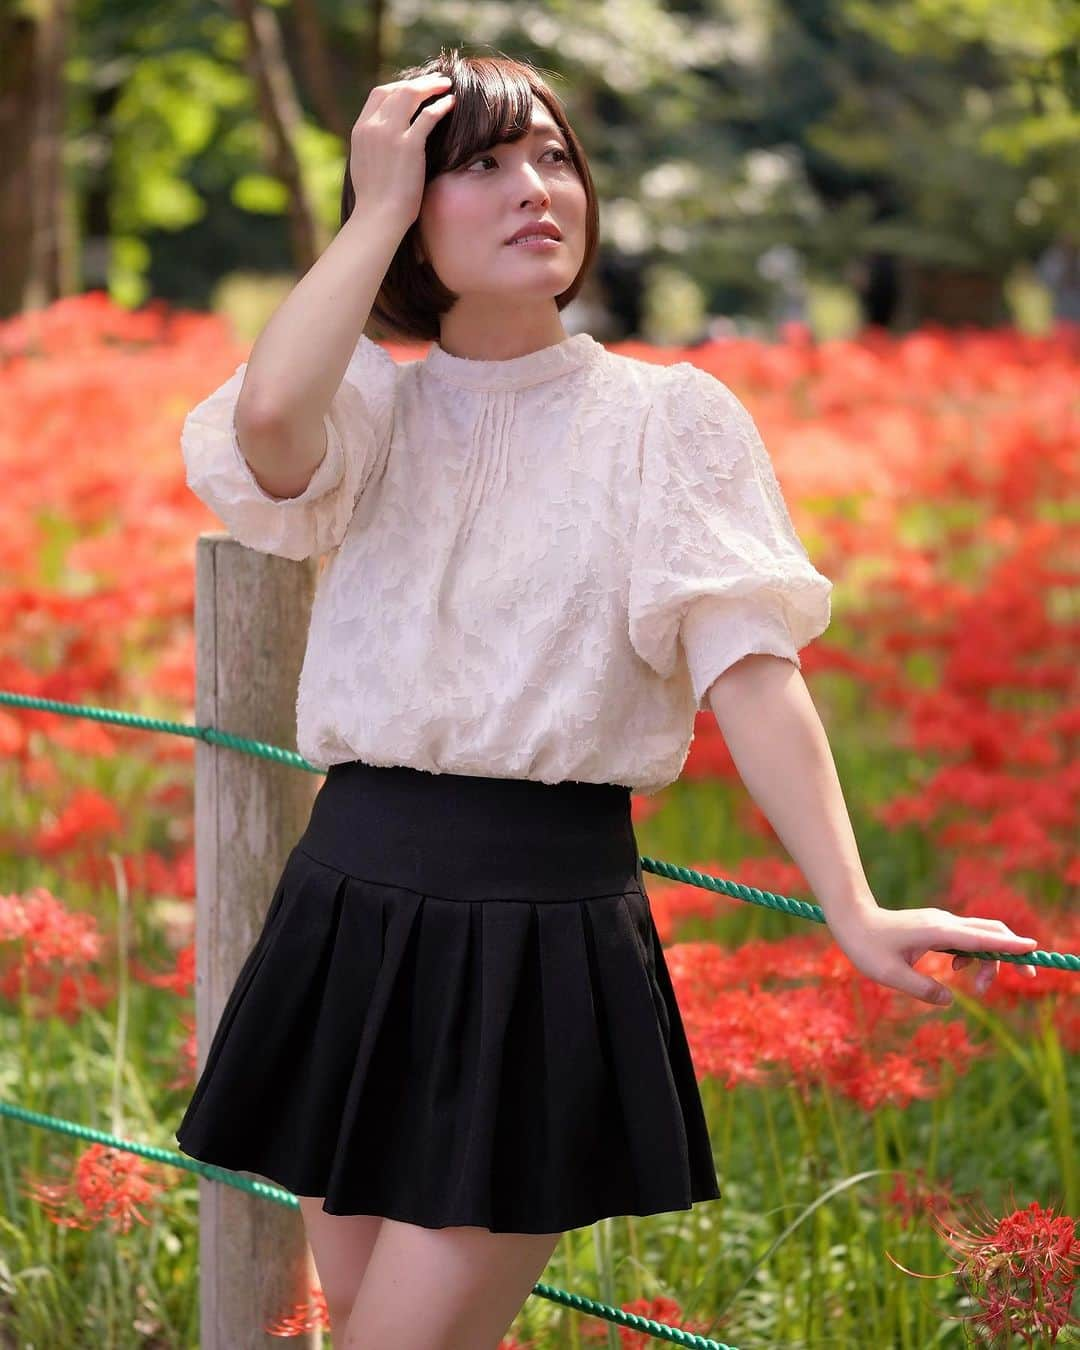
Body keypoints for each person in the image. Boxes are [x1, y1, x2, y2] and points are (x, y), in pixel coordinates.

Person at [173, 47, 1041, 1350]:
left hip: (532, 929)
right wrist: (372, 208)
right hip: (347, 907)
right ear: (410, 202)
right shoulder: (372, 412)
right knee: (362, 1314)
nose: (535, 187)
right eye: (481, 163)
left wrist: (851, 906)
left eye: (553, 157)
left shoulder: (666, 421)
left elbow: (750, 672)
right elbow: (270, 420)